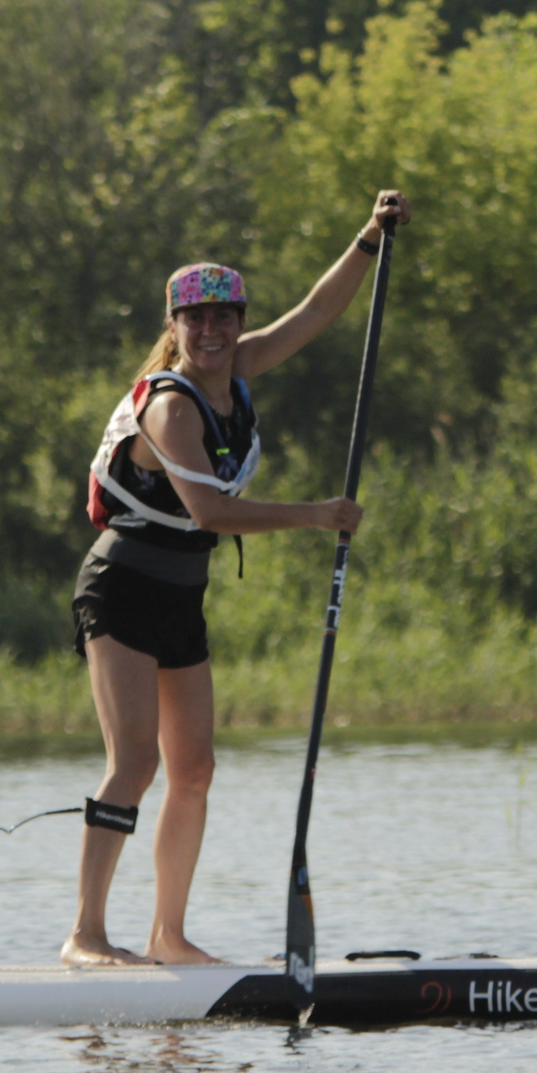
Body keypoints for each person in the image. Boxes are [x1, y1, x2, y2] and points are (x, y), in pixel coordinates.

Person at [62, 188, 411, 968]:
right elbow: (211, 512)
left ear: (239, 322)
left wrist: (368, 235)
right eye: (197, 318)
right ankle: (84, 935)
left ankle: (168, 936)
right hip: (119, 588)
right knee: (135, 763)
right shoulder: (171, 407)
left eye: (226, 316)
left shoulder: (243, 369)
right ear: (175, 326)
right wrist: (319, 515)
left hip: (182, 595)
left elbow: (318, 313)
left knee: (195, 768)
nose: (213, 329)